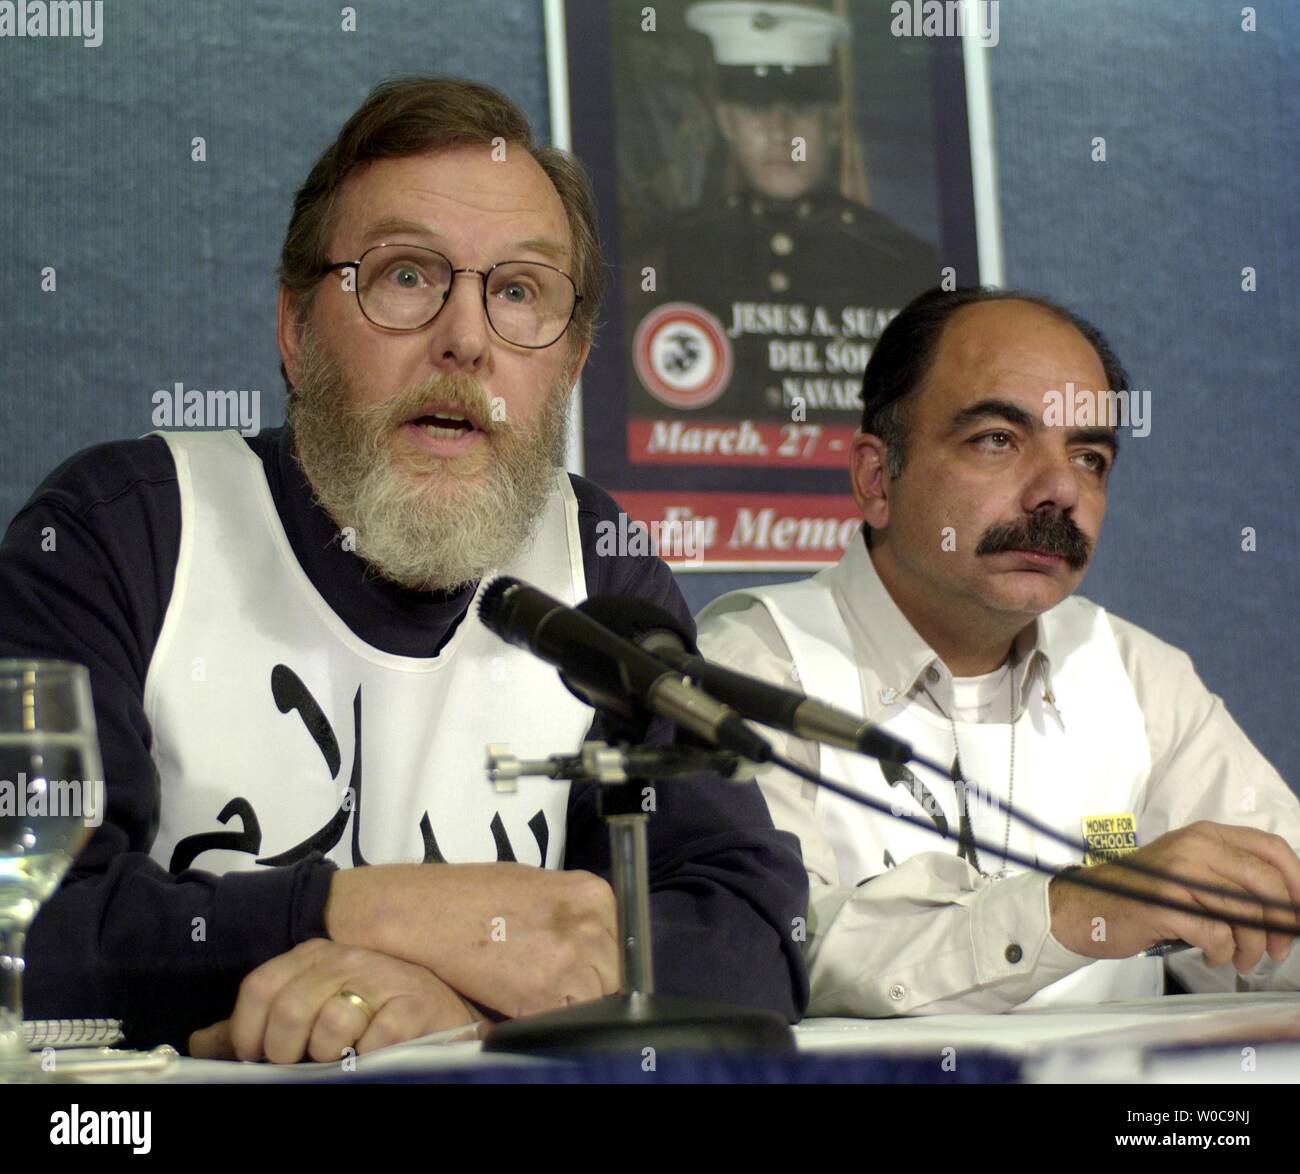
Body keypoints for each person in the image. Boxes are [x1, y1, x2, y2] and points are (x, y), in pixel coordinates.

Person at [3, 77, 809, 1061]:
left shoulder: (596, 566)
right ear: (297, 332)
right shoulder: (121, 530)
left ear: (570, 362)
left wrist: (451, 1003)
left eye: (517, 292)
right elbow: (27, 926)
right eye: (405, 277)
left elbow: (754, 933)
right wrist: (366, 911)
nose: (465, 339)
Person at [696, 286, 1300, 1015]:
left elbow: (1267, 930)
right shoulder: (754, 666)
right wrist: (1075, 910)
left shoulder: (1139, 677)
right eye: (997, 440)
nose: (1058, 491)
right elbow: (777, 949)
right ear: (876, 479)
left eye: (1089, 457)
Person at [624, 1, 939, 428]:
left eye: (800, 110)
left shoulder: (908, 267)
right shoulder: (667, 256)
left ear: (833, 125)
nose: (779, 131)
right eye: (755, 110)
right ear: (727, 121)